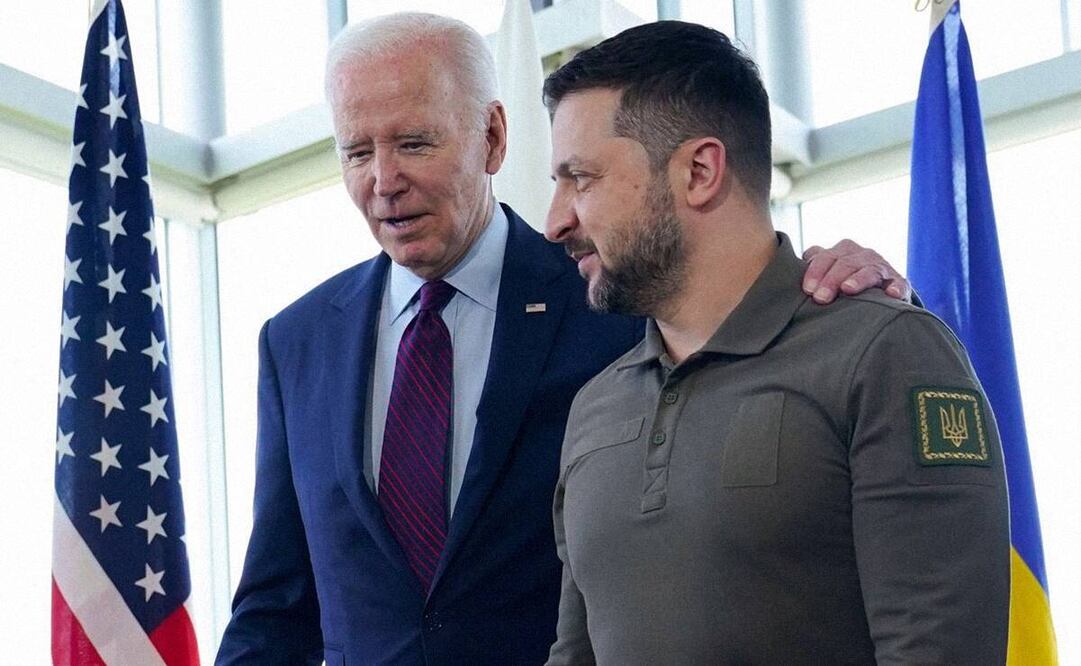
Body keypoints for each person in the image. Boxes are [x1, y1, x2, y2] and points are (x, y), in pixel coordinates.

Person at [215, 13, 912, 666]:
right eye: (356, 152)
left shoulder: (618, 293)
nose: (383, 181)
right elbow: (277, 606)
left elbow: (745, 303)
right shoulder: (297, 342)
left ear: (491, 137)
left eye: (414, 143)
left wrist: (847, 287)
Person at [541, 20, 1010, 666]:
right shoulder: (594, 405)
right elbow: (574, 654)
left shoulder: (884, 354)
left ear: (699, 171)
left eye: (581, 178)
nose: (555, 220)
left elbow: (937, 652)